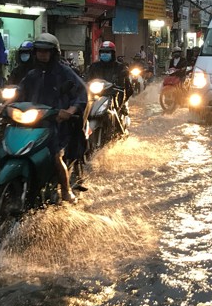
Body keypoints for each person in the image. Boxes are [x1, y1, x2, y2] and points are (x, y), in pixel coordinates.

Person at [9, 33, 87, 202]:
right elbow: (19, 92)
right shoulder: (32, 73)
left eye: (46, 51)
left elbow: (81, 93)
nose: (42, 54)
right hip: (34, 119)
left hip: (56, 122)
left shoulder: (65, 72)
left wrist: (70, 110)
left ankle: (65, 190)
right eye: (39, 51)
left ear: (53, 53)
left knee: (55, 155)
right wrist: (5, 105)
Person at [86, 40, 134, 113]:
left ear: (113, 54)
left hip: (113, 94)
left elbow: (127, 88)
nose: (104, 54)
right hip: (96, 94)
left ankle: (121, 108)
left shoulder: (120, 66)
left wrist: (121, 78)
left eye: (107, 52)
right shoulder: (94, 66)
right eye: (103, 52)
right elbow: (88, 78)